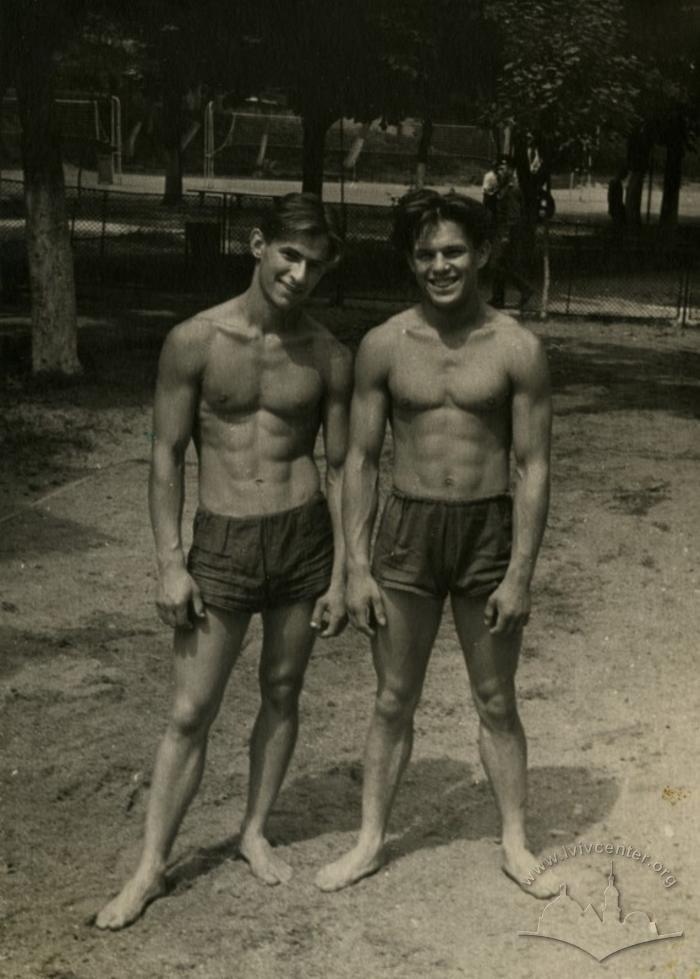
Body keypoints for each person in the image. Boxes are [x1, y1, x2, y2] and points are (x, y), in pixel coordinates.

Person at [96, 193, 353, 930]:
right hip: (224, 542)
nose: (300, 275)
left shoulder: (329, 354)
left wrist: (342, 572)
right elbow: (165, 454)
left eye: (315, 264)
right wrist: (168, 562)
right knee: (189, 710)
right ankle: (150, 867)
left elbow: (341, 468)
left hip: (303, 540)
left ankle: (253, 829)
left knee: (282, 689)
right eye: (289, 256)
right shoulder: (196, 341)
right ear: (256, 244)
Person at [315, 189, 556, 900]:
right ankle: (367, 842)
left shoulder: (518, 347)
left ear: (482, 254)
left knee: (495, 696)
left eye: (454, 251)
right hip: (409, 530)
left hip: (485, 528)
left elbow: (532, 465)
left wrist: (520, 573)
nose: (440, 265)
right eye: (425, 254)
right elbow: (358, 460)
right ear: (410, 261)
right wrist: (356, 566)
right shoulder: (385, 345)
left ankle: (514, 838)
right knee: (393, 698)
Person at [489, 157, 534, 310]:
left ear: (510, 170)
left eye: (502, 169)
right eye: (498, 169)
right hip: (502, 231)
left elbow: (513, 216)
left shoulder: (512, 189)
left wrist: (506, 236)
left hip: (508, 233)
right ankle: (498, 298)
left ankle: (525, 289)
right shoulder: (503, 188)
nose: (499, 172)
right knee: (501, 265)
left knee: (498, 264)